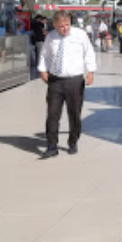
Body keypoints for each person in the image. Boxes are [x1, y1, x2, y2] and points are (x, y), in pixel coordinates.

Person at [38, 10, 96, 158]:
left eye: (67, 25)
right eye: (61, 26)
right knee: (52, 114)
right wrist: (42, 70)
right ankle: (52, 146)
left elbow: (89, 52)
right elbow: (44, 55)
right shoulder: (51, 37)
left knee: (74, 114)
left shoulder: (80, 35)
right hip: (55, 81)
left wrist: (91, 71)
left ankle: (73, 141)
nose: (65, 28)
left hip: (74, 81)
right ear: (55, 25)